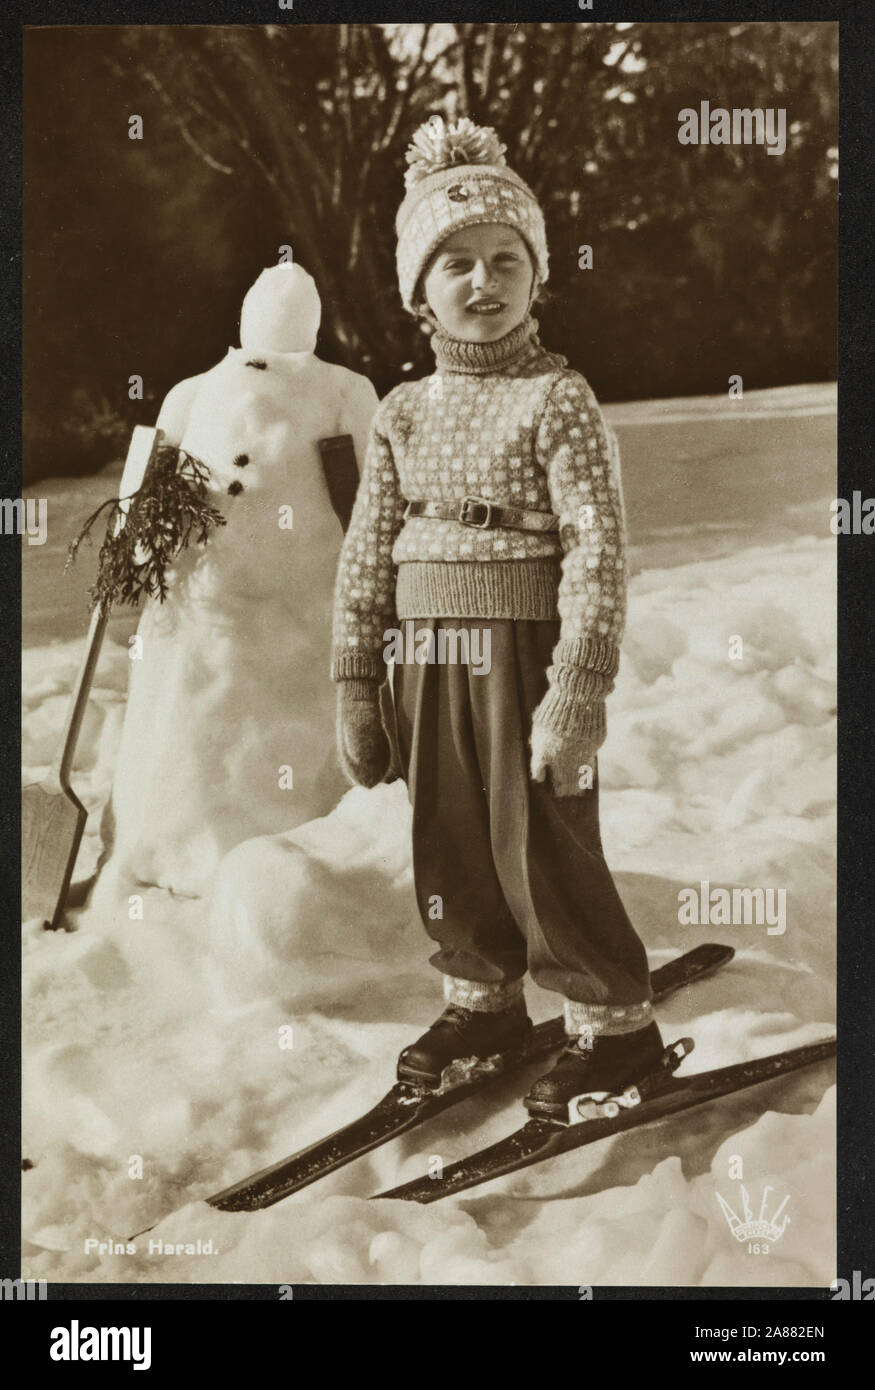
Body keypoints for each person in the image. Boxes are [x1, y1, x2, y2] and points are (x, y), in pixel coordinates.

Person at [330, 115, 663, 1120]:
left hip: (523, 655)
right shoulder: (400, 412)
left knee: (543, 842)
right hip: (426, 656)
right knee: (451, 839)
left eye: (505, 260)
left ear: (537, 275)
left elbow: (599, 551)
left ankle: (615, 1028)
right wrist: (354, 679)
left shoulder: (556, 398)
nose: (484, 281)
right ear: (415, 291)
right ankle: (481, 1002)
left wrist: (576, 694)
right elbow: (363, 552)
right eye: (457, 263)